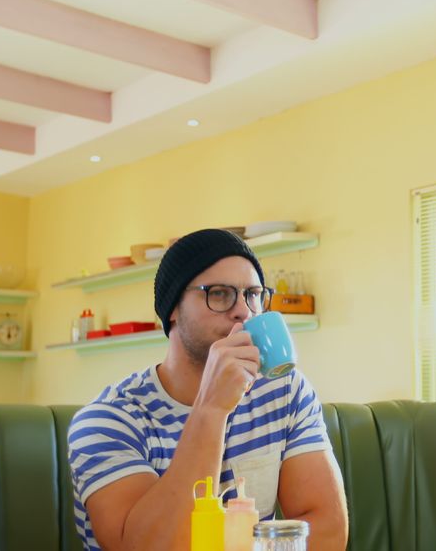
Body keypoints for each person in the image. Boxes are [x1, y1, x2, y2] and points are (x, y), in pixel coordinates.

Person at [67, 229, 348, 550]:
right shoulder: (106, 421)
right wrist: (211, 410)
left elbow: (327, 532)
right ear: (172, 308)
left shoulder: (284, 392)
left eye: (253, 294)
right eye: (219, 293)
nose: (244, 310)